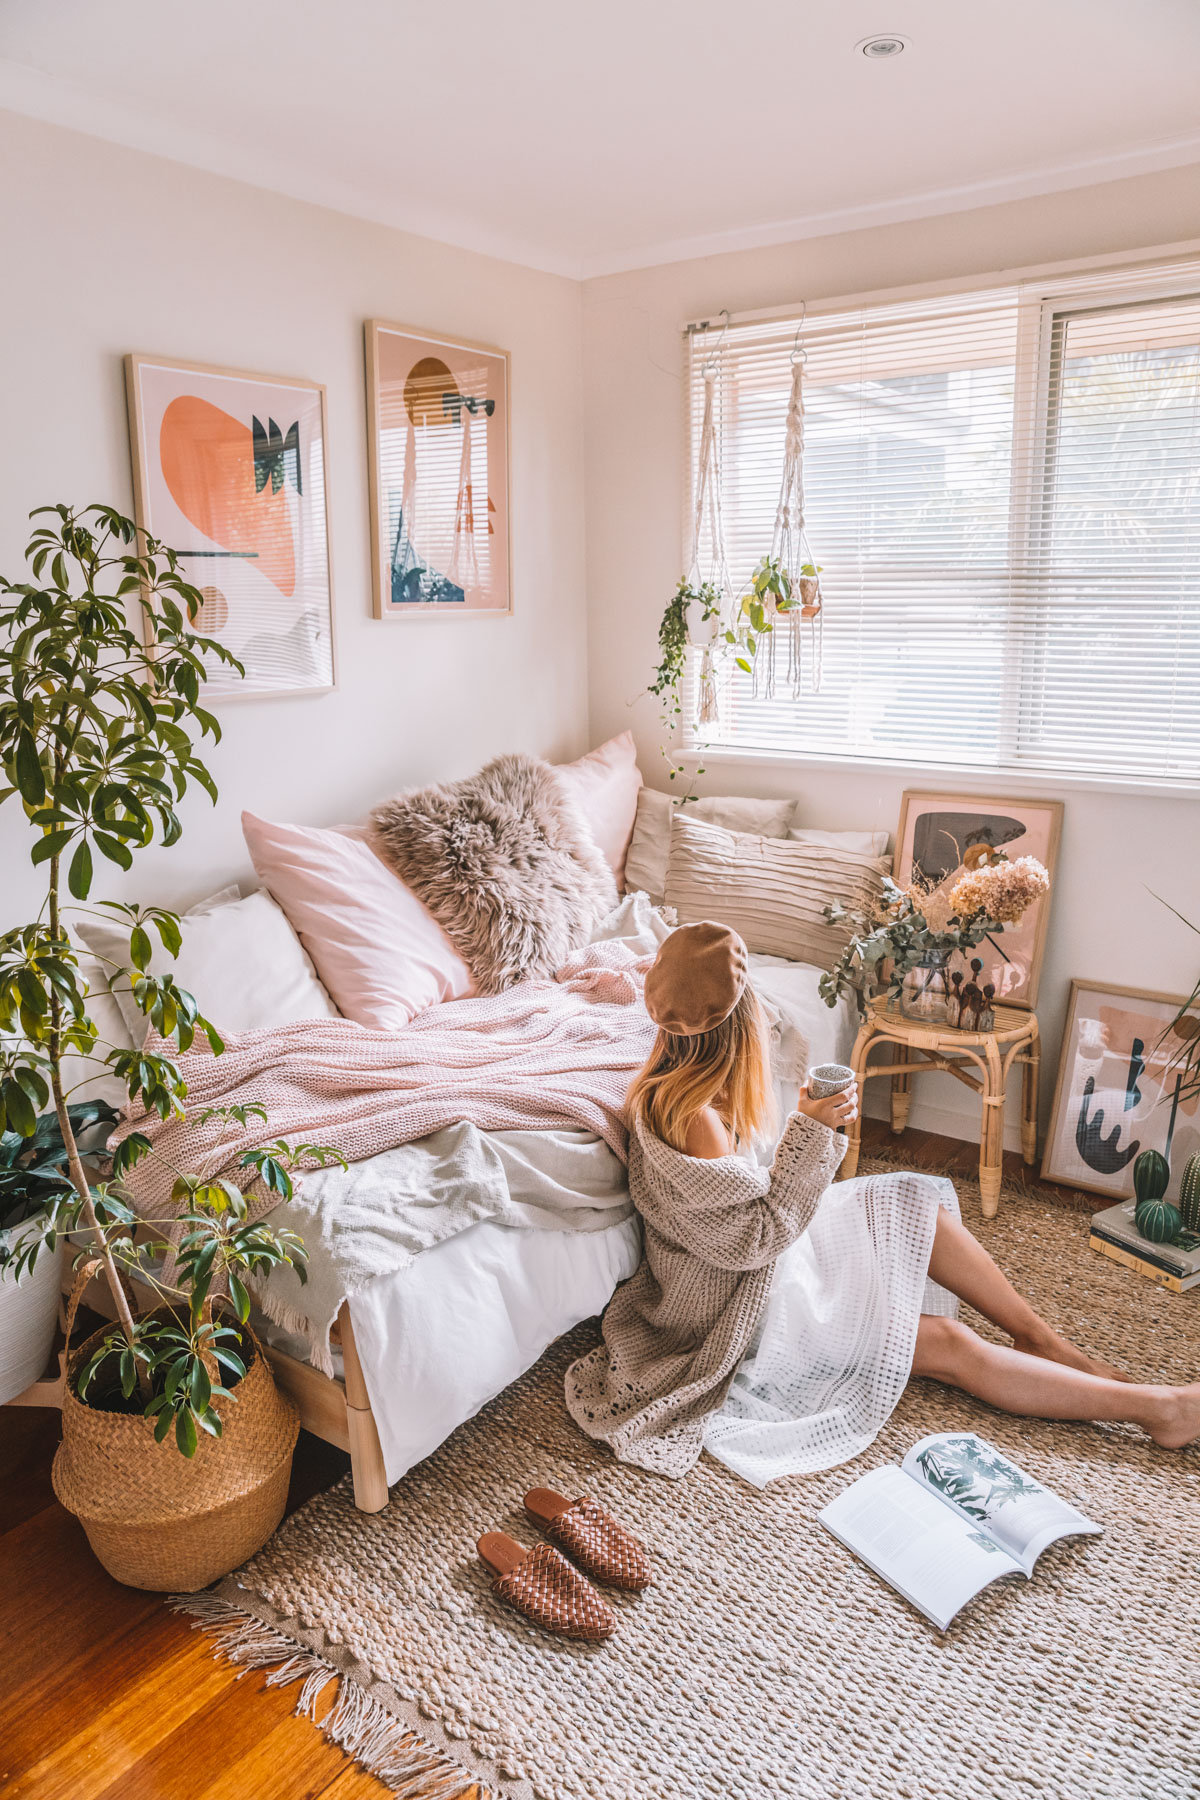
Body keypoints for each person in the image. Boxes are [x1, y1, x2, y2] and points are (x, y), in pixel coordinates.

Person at [565, 921, 1200, 1485]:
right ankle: (1159, 1411)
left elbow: (743, 1212)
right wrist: (813, 1134)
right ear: (736, 1026)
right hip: (743, 1309)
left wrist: (805, 1136)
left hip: (765, 1255)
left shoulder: (669, 1084)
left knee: (912, 1203)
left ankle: (1048, 1345)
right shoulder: (695, 1117)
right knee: (946, 1344)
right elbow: (754, 1240)